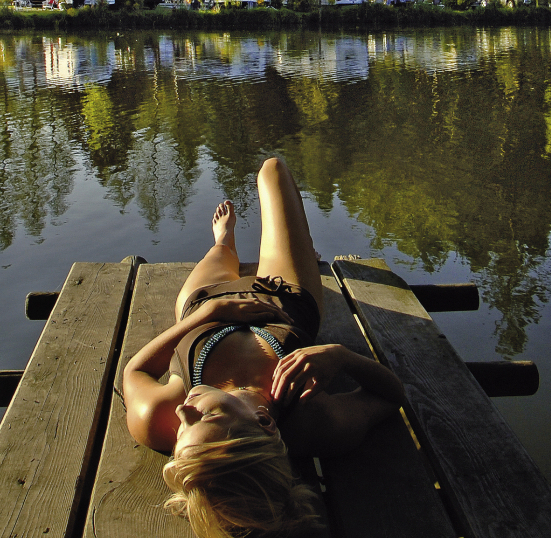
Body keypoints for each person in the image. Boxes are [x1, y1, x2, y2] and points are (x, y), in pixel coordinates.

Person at [124, 157, 404, 538]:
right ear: (264, 423)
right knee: (272, 171)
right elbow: (391, 397)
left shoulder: (158, 418)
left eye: (180, 436)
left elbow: (134, 372)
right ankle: (302, 252)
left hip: (204, 301)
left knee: (221, 255)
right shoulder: (310, 420)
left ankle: (224, 241)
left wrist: (207, 313)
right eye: (202, 419)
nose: (182, 412)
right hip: (282, 295)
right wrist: (341, 357)